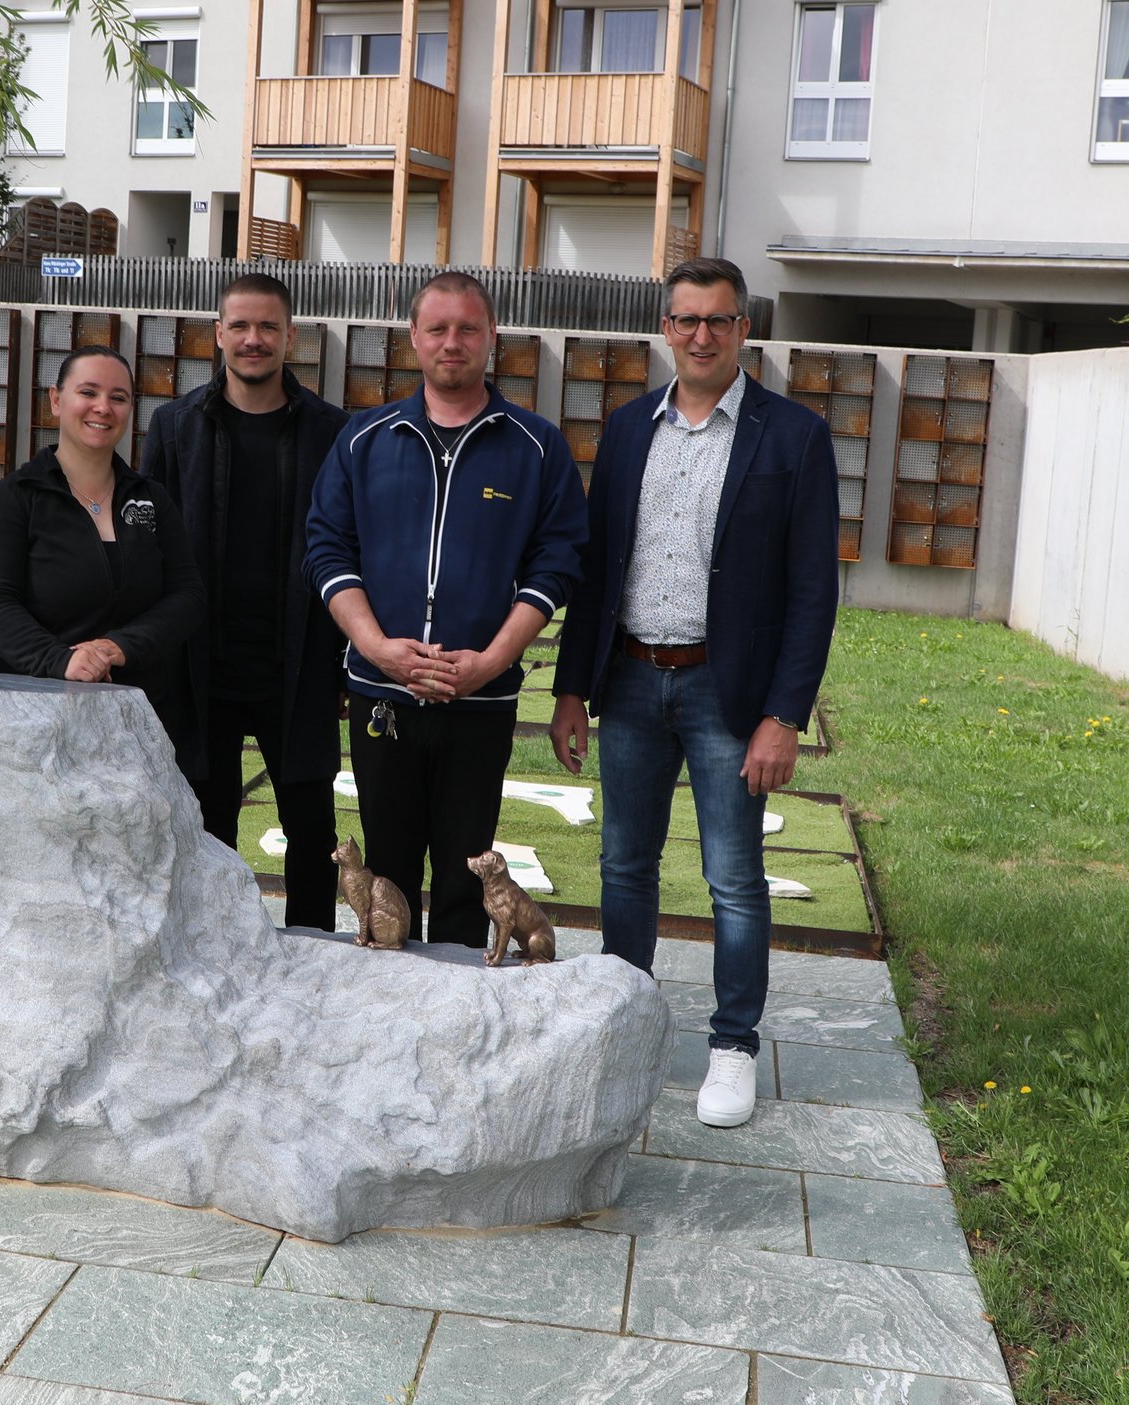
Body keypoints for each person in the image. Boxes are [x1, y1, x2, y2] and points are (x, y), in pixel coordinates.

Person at [550, 256, 839, 1129]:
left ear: (744, 328)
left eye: (719, 320)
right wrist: (571, 689)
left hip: (729, 694)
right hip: (631, 681)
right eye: (686, 320)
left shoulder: (793, 437)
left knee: (733, 879)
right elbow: (598, 569)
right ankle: (628, 1027)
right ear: (665, 328)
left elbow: (811, 591)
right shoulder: (630, 426)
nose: (702, 335)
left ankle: (733, 1046)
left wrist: (783, 715)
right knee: (623, 867)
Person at [305, 271, 586, 947]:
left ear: (493, 338)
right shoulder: (364, 438)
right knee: (388, 878)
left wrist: (491, 660)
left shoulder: (536, 446)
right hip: (383, 697)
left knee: (470, 878)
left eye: (467, 328)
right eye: (437, 328)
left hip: (480, 702)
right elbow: (327, 548)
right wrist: (378, 648)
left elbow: (557, 562)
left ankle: (465, 1026)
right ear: (413, 337)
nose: (451, 342)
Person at [140, 272, 349, 929]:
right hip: (203, 667)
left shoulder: (333, 432)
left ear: (291, 335)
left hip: (300, 663)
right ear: (218, 334)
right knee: (207, 830)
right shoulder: (175, 427)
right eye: (240, 326)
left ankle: (311, 957)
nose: (253, 339)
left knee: (312, 831)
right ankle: (214, 954)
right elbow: (151, 552)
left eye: (267, 327)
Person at [0, 346, 204, 772]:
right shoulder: (15, 498)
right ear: (56, 400)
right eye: (88, 392)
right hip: (36, 726)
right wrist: (63, 660)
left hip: (142, 726)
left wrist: (118, 647)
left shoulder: (150, 498)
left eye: (118, 397)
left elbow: (187, 595)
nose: (103, 408)